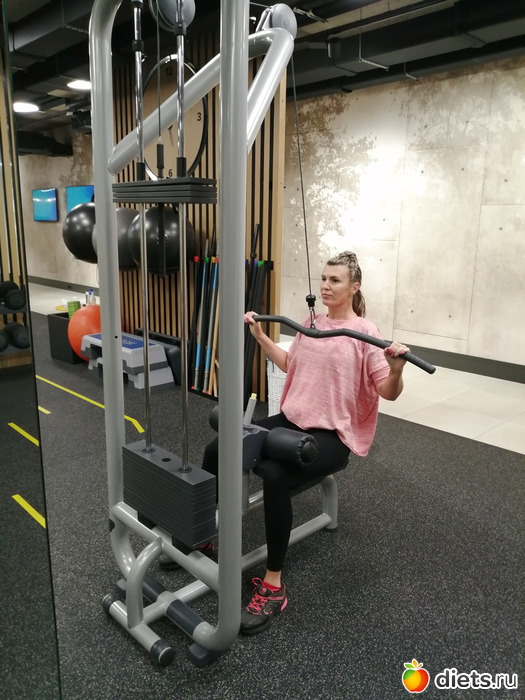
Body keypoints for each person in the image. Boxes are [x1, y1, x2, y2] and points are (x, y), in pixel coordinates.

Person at [202, 250, 409, 634]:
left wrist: (396, 370)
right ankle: (202, 537)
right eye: (324, 279)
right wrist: (262, 337)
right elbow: (289, 364)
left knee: (274, 474)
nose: (325, 286)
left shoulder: (365, 332)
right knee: (219, 449)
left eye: (335, 280)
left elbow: (387, 391)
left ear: (354, 286)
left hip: (330, 434)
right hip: (290, 422)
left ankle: (274, 586)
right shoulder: (312, 322)